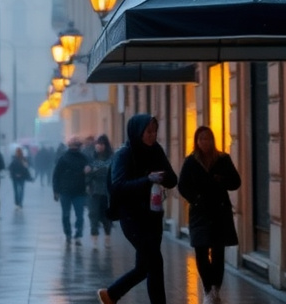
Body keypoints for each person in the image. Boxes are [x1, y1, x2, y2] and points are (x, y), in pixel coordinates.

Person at [98, 114, 177, 304]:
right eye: (148, 131)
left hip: (153, 215)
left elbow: (173, 179)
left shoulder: (156, 150)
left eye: (155, 131)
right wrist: (147, 180)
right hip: (132, 217)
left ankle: (111, 295)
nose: (152, 135)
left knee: (145, 266)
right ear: (138, 132)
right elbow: (118, 186)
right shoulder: (124, 154)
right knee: (155, 263)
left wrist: (163, 177)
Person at [177, 126, 242, 304]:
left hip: (219, 212)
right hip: (200, 213)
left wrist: (222, 180)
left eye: (207, 138)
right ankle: (207, 289)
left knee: (218, 252)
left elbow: (236, 182)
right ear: (196, 141)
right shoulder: (191, 161)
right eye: (201, 139)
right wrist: (195, 199)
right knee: (200, 251)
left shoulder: (223, 159)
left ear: (212, 140)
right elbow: (182, 185)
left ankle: (215, 289)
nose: (204, 142)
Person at [52, 137, 90, 245]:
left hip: (78, 191)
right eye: (72, 144)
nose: (74, 147)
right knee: (67, 214)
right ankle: (68, 233)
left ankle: (77, 234)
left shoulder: (84, 158)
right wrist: (56, 190)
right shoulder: (63, 158)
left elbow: (91, 169)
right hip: (66, 191)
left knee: (79, 215)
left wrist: (89, 170)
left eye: (75, 144)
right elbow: (56, 175)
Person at [87, 134, 114, 249]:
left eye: (102, 144)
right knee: (93, 214)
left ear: (106, 145)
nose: (99, 146)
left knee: (106, 216)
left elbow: (114, 173)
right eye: (98, 143)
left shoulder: (111, 158)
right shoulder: (91, 158)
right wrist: (89, 173)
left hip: (107, 193)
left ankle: (107, 237)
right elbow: (87, 176)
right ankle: (94, 239)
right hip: (94, 192)